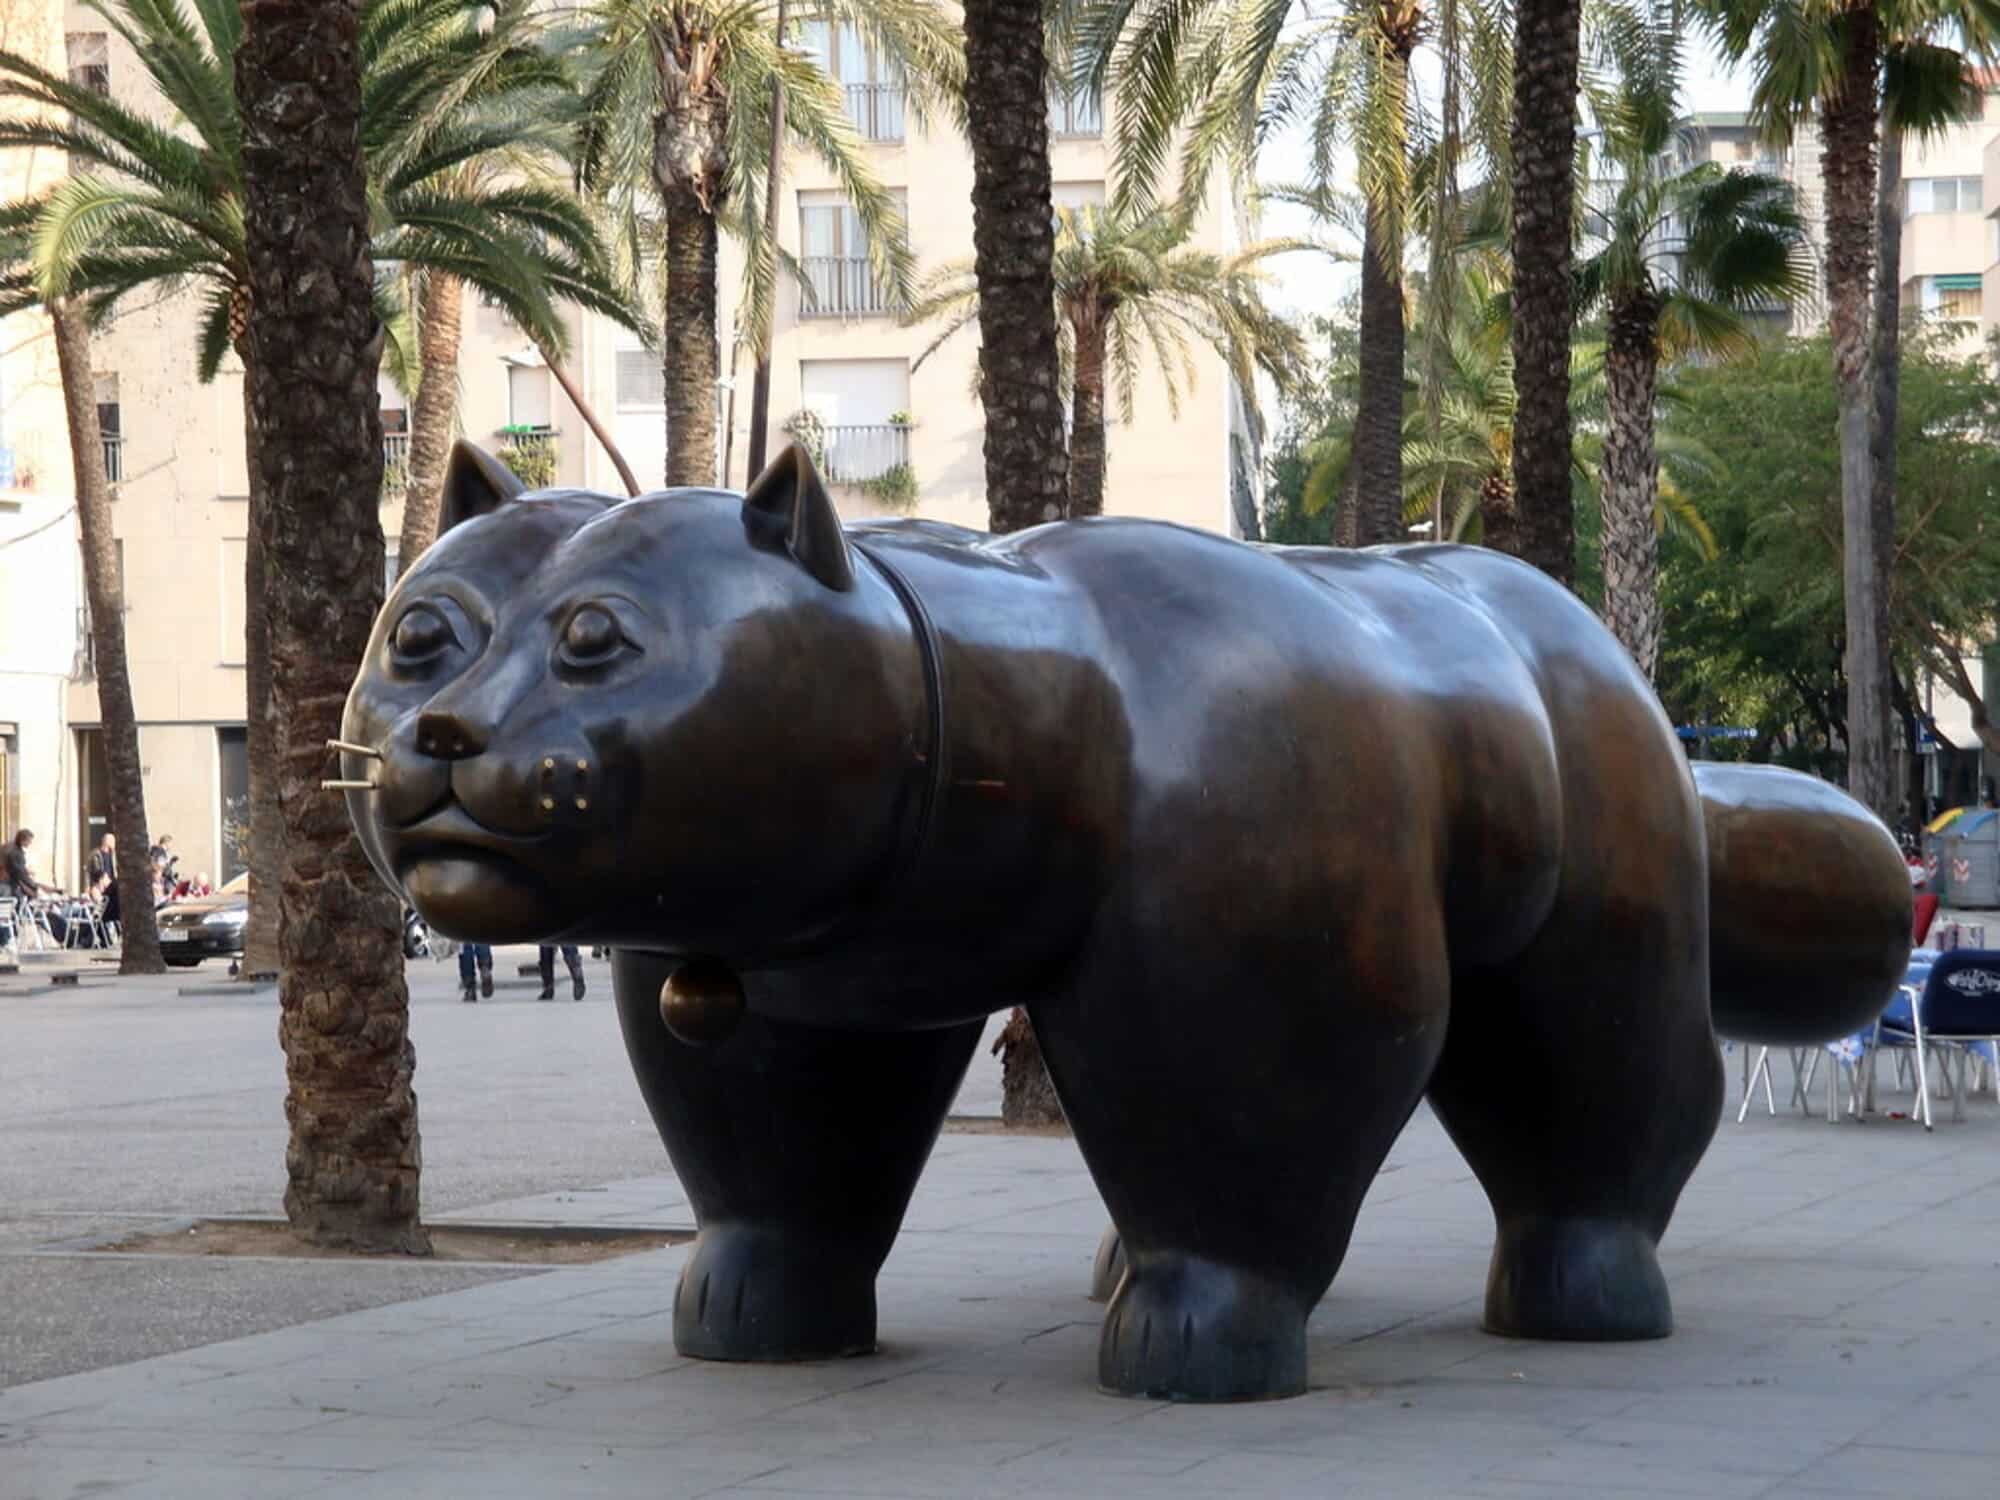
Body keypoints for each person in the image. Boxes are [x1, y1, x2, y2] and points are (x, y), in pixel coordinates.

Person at [3, 829, 66, 944]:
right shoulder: (16, 853)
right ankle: (8, 939)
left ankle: (9, 938)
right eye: (29, 841)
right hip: (12, 888)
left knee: (11, 913)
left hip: (13, 886)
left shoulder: (10, 850)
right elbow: (20, 874)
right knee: (12, 913)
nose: (30, 844)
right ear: (23, 840)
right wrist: (33, 887)